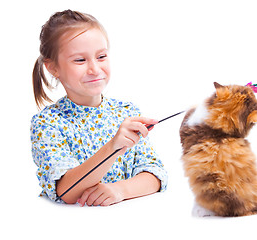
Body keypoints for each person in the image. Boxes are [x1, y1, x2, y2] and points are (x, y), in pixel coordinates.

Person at [30, 10, 167, 206]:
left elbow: (155, 175)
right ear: (53, 68)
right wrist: (113, 148)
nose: (94, 69)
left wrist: (120, 190)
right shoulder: (48, 123)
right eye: (80, 60)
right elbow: (66, 191)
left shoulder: (126, 112)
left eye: (101, 56)